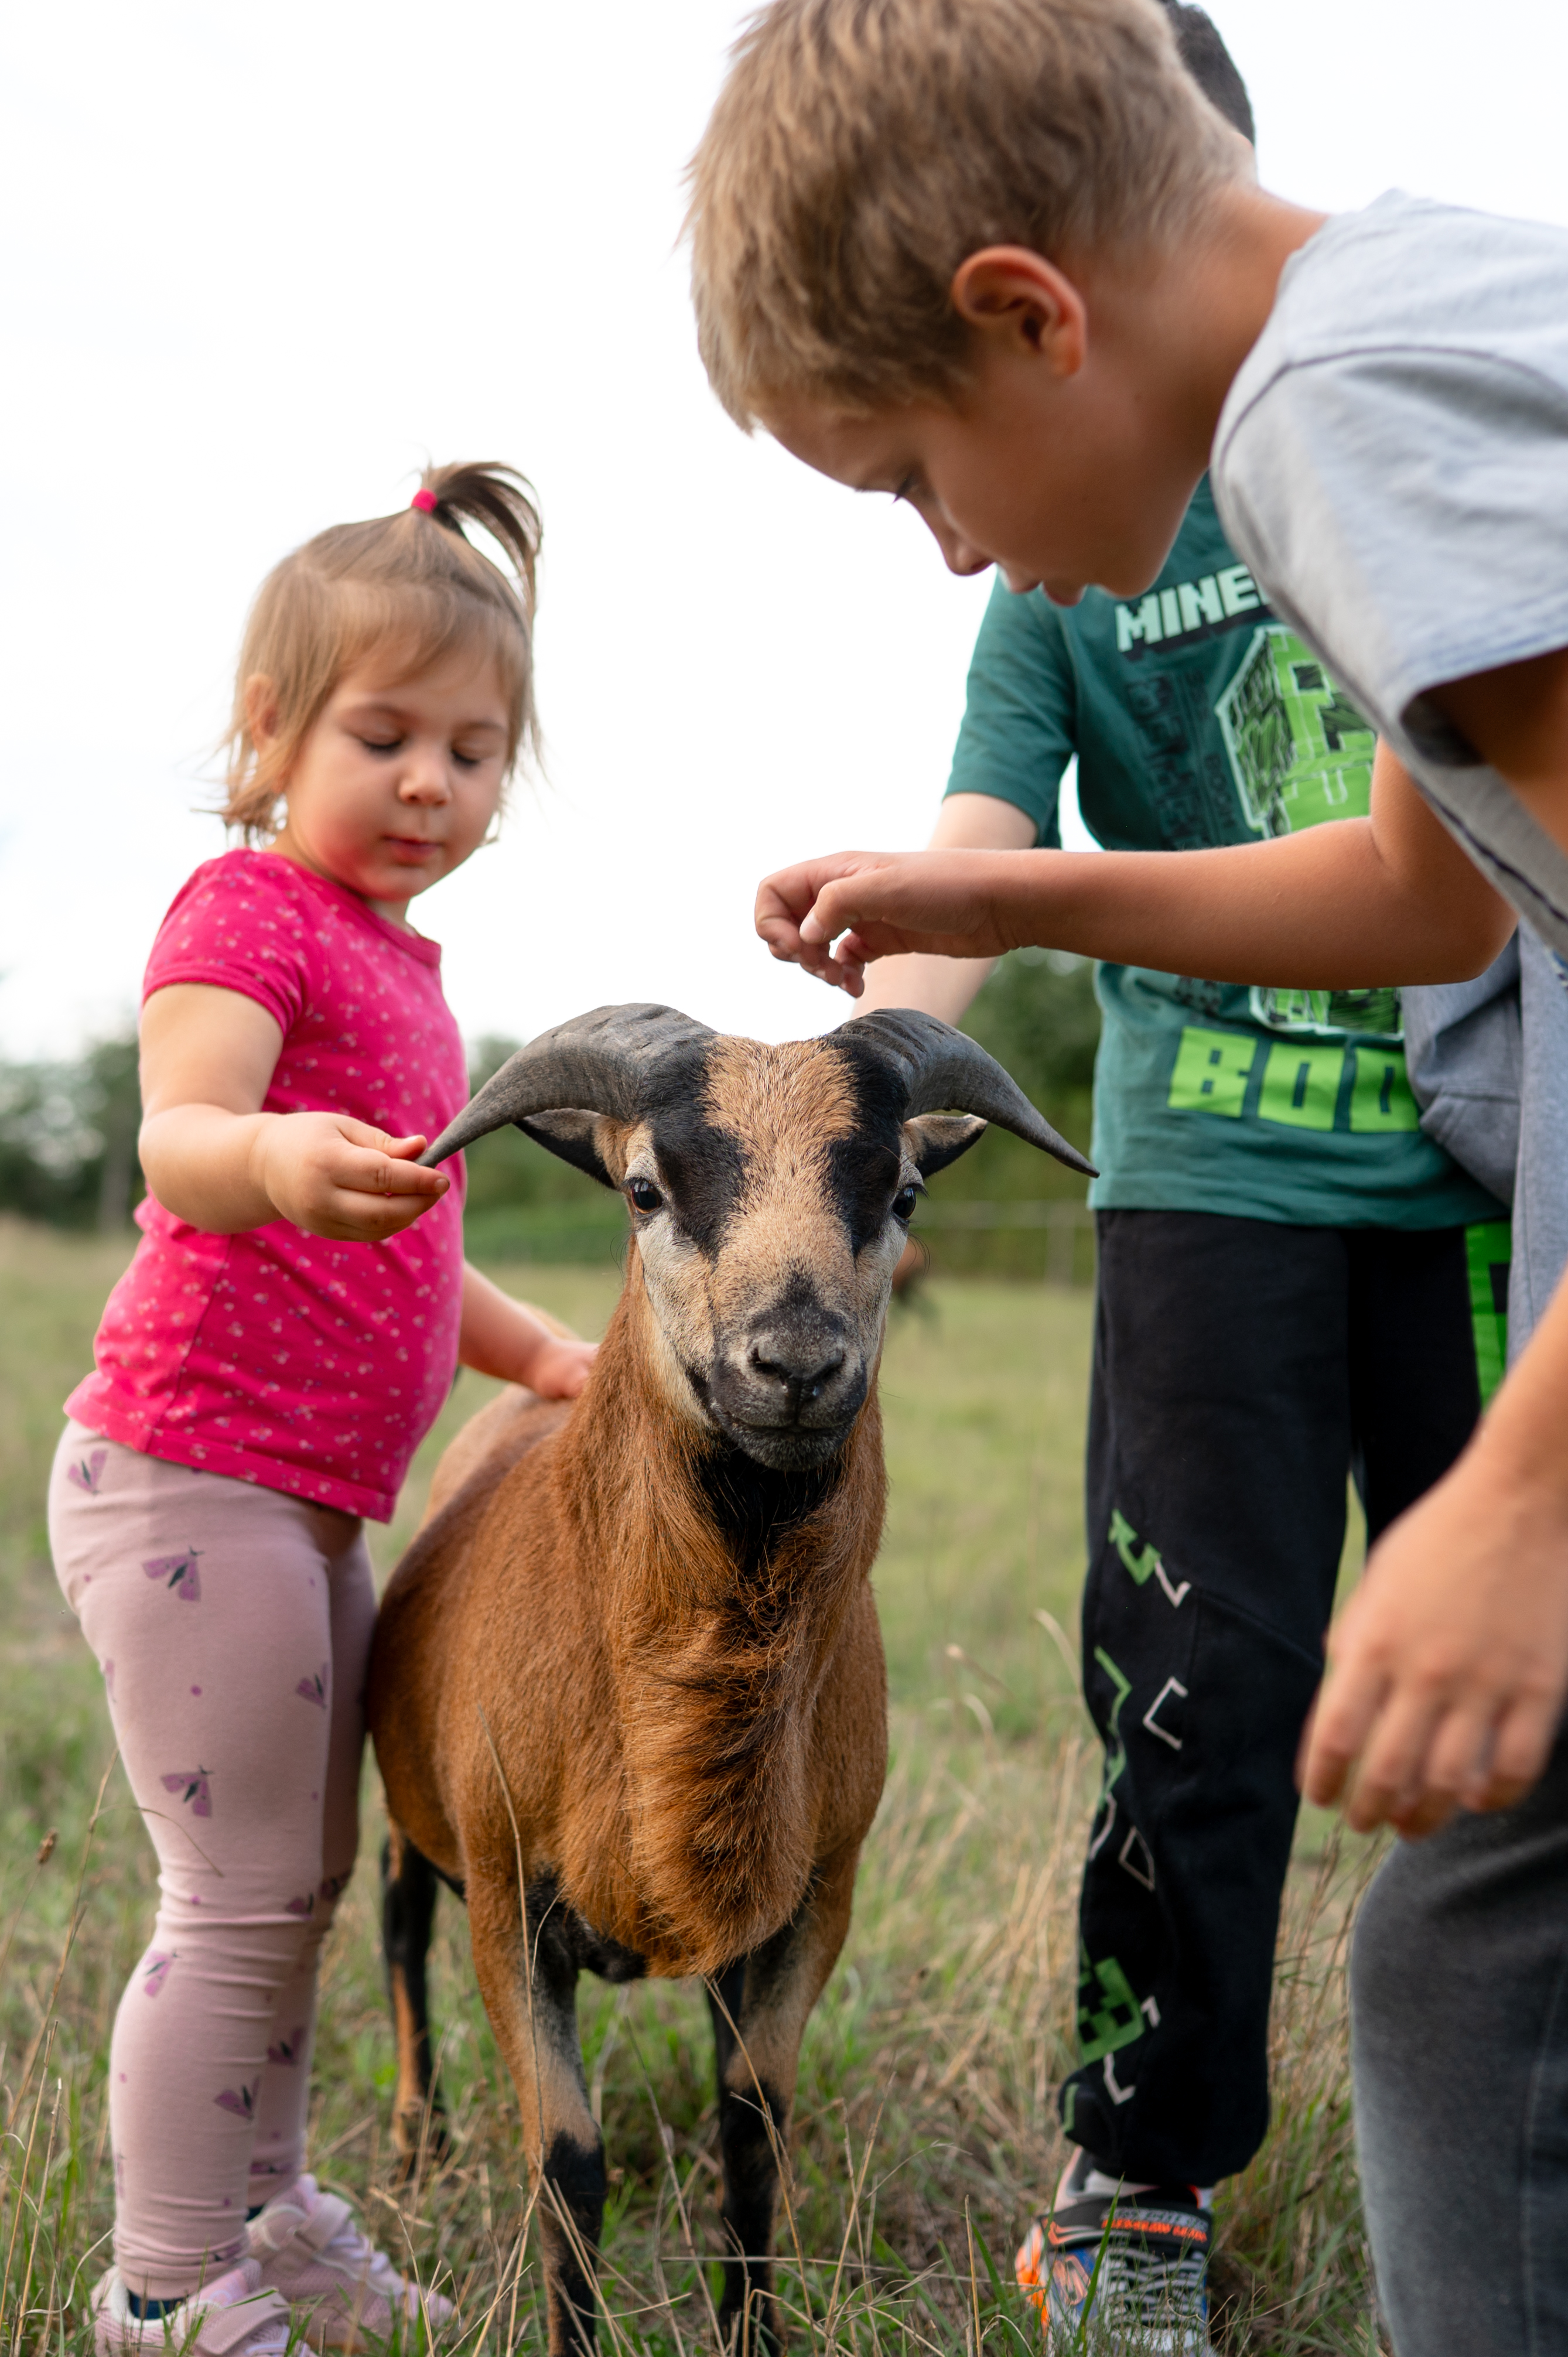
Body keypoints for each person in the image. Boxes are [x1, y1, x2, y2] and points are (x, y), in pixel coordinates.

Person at [686, 3, 1568, 2348]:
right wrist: (993, 907)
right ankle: (1137, 2180)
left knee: (1472, 1941)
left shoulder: (1327, 421)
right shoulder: (1431, 312)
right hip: (1244, 1186)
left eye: (907, 481)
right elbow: (1434, 902)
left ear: (1027, 313)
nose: (950, 546)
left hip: (1484, 1253)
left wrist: (1518, 1488)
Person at [49, 463, 596, 2356]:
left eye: (476, 747)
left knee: (299, 1883)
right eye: (388, 735)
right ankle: (162, 2282)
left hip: (299, 1509)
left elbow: (416, 1259)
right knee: (236, 1894)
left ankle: (268, 2222)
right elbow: (183, 1132)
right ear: (272, 727)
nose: (433, 782)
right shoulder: (251, 906)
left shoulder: (413, 972)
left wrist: (542, 1361)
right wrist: (271, 1157)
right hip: (188, 1477)